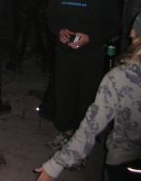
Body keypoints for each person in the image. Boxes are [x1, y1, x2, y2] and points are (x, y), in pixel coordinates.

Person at [34, 14, 141, 180]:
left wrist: (55, 165)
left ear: (134, 33)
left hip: (125, 164)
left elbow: (92, 125)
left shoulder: (122, 77)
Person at [45, 0, 119, 154]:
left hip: (91, 54)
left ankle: (82, 140)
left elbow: (113, 25)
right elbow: (51, 16)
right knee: (64, 93)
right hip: (65, 53)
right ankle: (66, 132)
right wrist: (59, 30)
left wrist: (90, 37)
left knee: (87, 97)